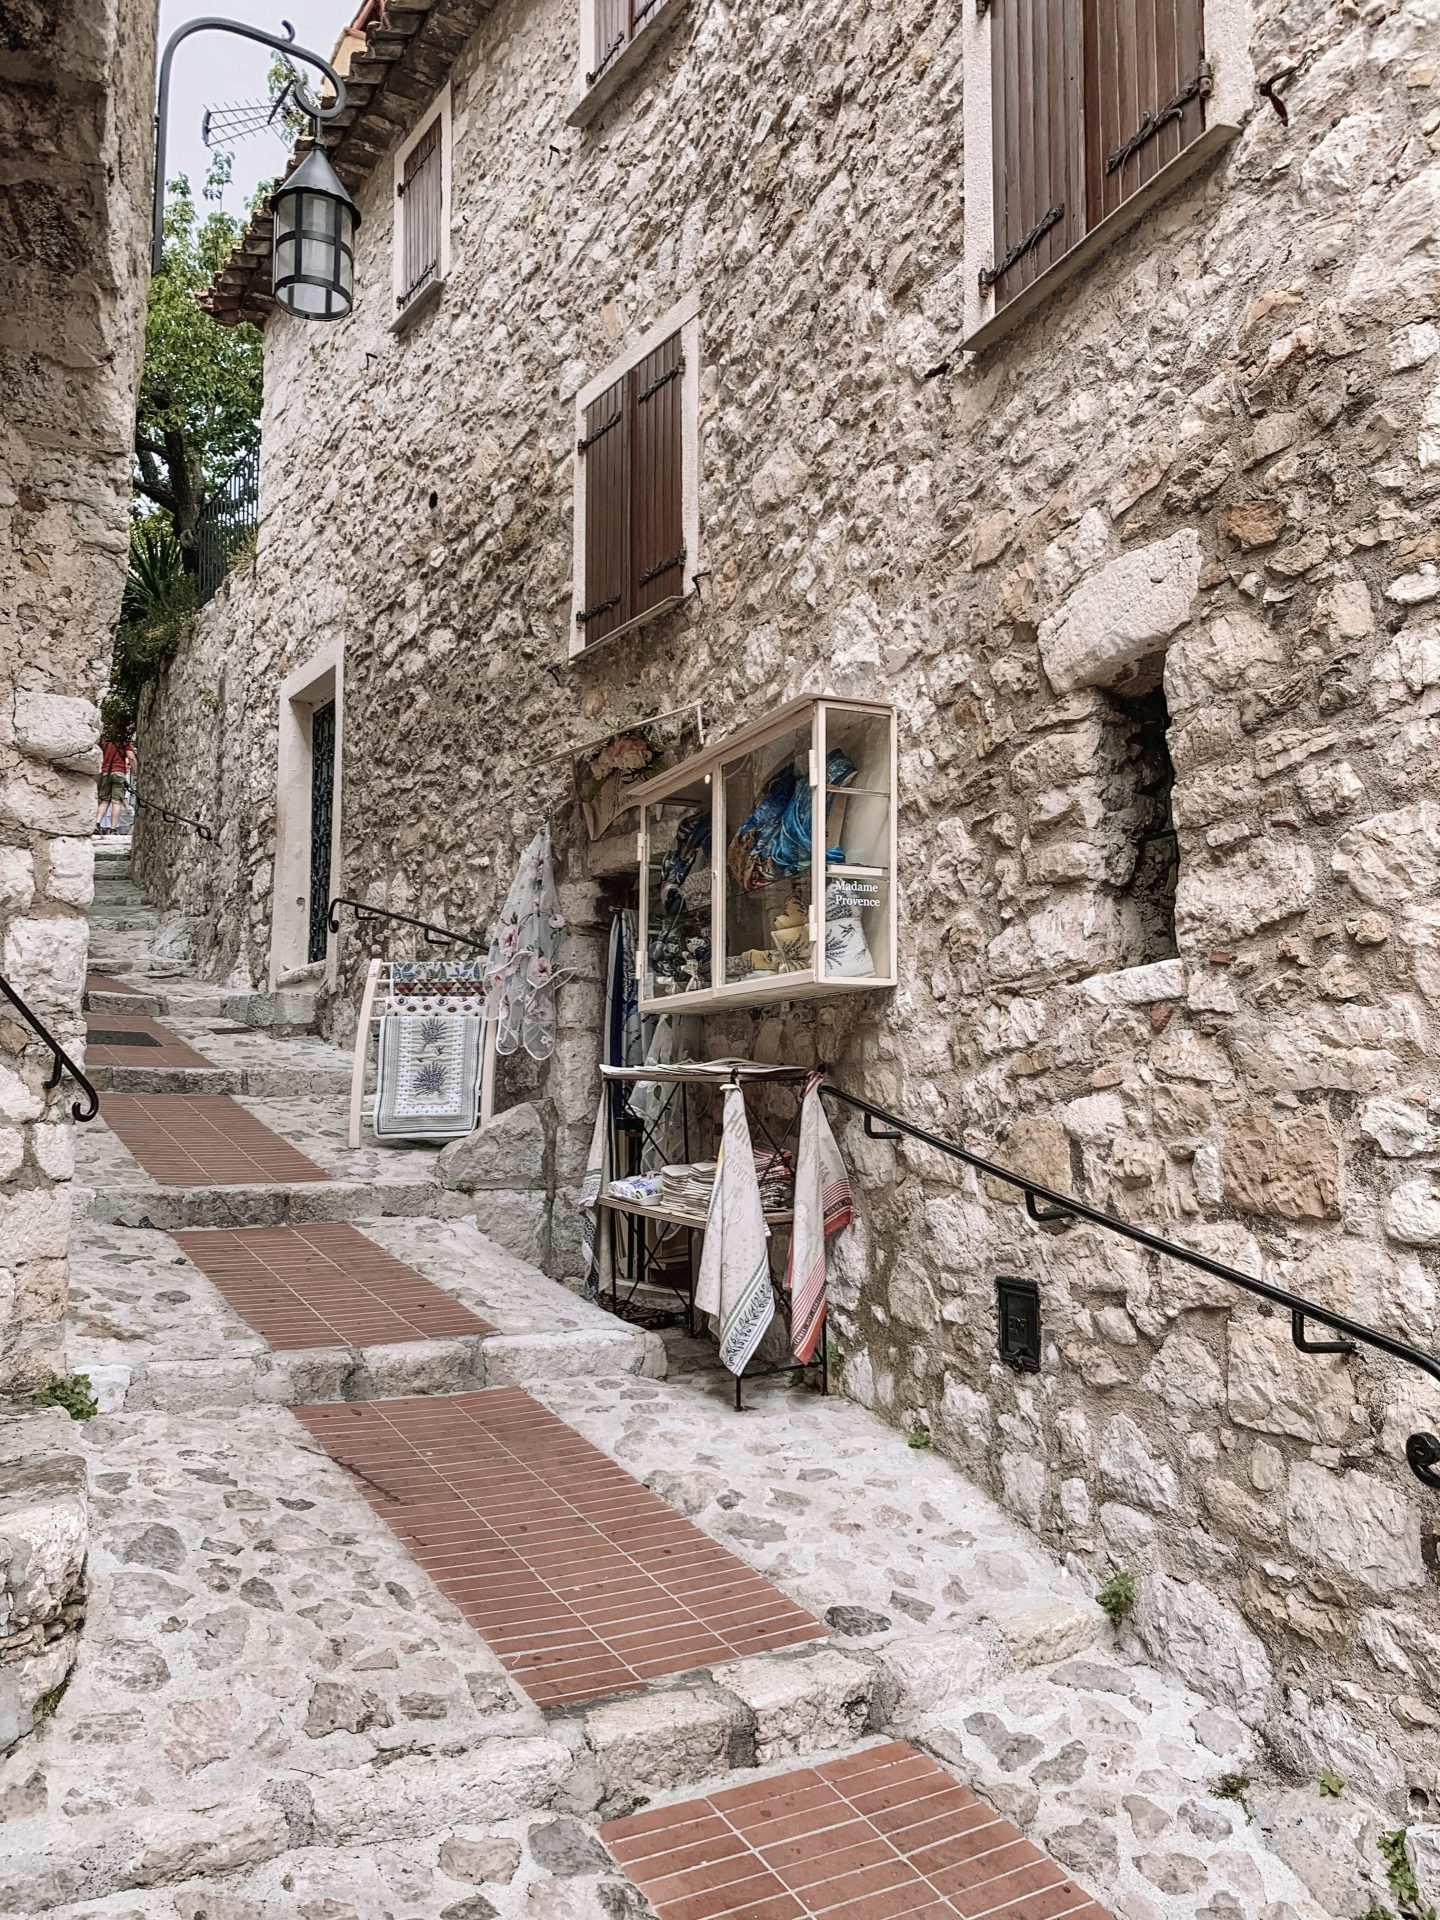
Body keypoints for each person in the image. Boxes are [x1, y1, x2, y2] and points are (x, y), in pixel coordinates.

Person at [95, 729, 135, 835]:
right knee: (116, 801)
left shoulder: (104, 740)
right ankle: (113, 829)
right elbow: (131, 757)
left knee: (104, 800)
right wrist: (137, 772)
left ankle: (97, 823)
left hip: (105, 773)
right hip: (119, 772)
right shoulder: (124, 741)